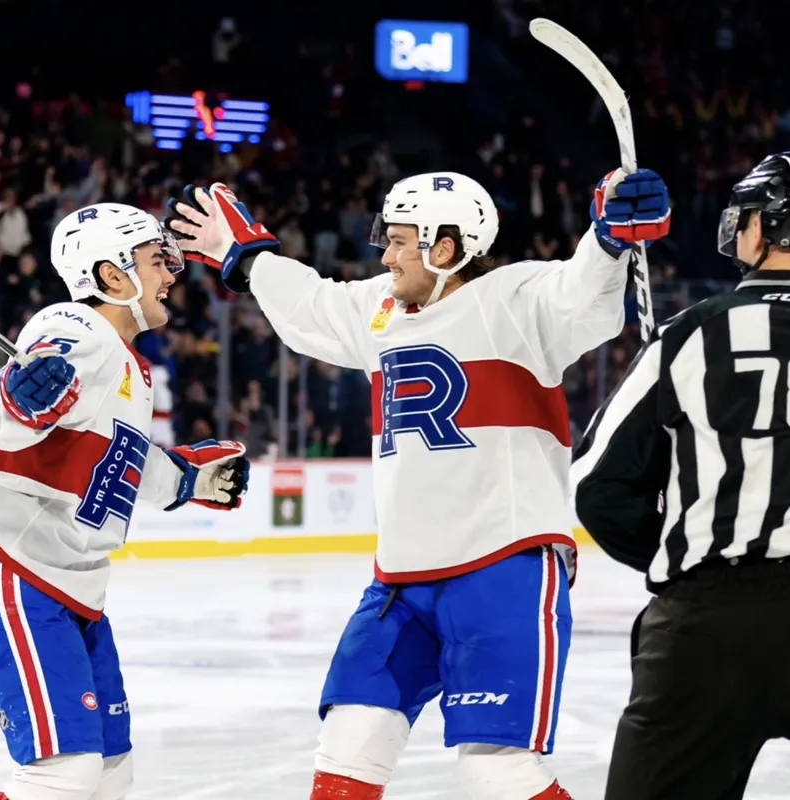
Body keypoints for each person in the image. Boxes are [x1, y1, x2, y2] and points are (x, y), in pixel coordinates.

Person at [166, 169, 671, 800]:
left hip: (503, 567)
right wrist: (248, 258)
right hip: (400, 581)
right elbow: (312, 306)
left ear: (447, 247)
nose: (386, 252)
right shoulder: (381, 309)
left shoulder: (518, 301)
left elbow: (582, 290)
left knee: (498, 770)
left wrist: (609, 236)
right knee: (345, 754)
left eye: (401, 239)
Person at [0, 203, 251, 800]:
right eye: (158, 261)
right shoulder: (78, 327)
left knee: (109, 770)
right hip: (13, 570)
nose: (171, 274)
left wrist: (187, 479)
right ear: (112, 276)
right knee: (63, 773)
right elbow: (12, 422)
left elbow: (122, 462)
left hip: (70, 585)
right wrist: (24, 397)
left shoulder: (132, 367)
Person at [571, 152, 790, 799]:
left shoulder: (687, 334)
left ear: (761, 229)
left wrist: (679, 547)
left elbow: (596, 485)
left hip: (708, 628)